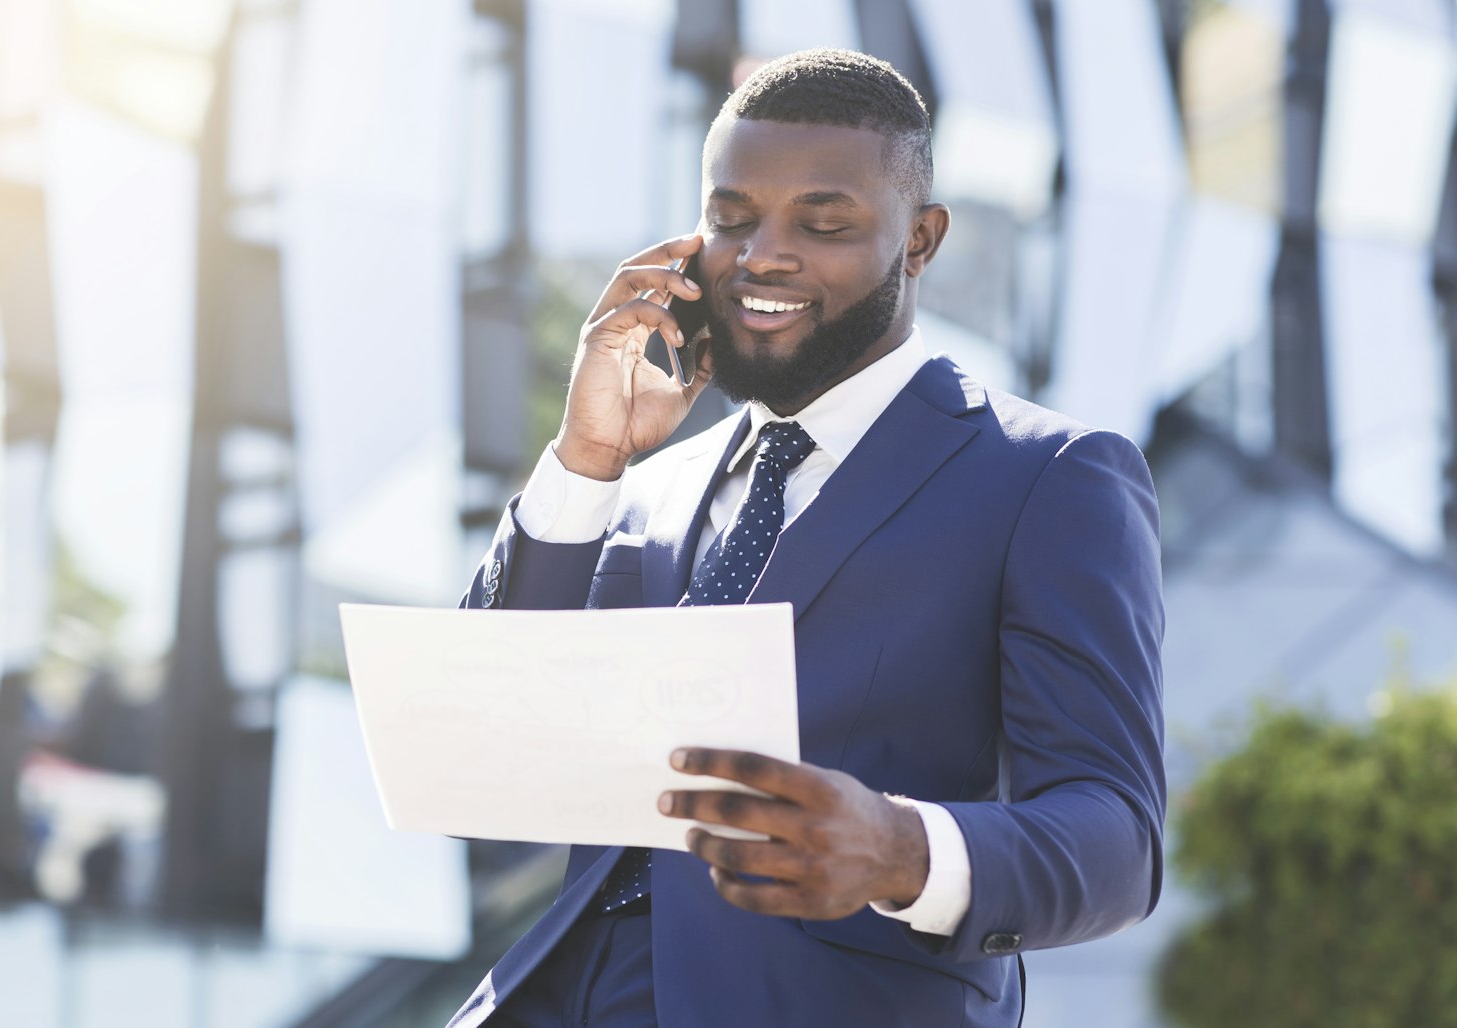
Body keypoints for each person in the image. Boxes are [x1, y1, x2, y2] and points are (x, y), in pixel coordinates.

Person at [447, 49, 1165, 1027]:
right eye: (730, 218)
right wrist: (582, 460)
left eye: (821, 223)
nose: (761, 254)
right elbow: (485, 739)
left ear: (918, 241)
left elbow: (1115, 837)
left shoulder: (1045, 477)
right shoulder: (645, 483)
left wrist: (899, 847)